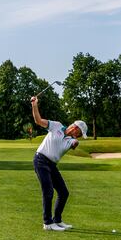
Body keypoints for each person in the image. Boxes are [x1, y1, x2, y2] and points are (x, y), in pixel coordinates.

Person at [31, 95, 88, 231]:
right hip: (40, 160)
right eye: (80, 133)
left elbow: (74, 143)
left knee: (63, 192)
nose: (79, 136)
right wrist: (34, 105)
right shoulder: (56, 126)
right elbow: (38, 121)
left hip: (51, 165)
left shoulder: (71, 140)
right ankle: (47, 223)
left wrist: (75, 142)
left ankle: (57, 220)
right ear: (75, 128)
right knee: (48, 191)